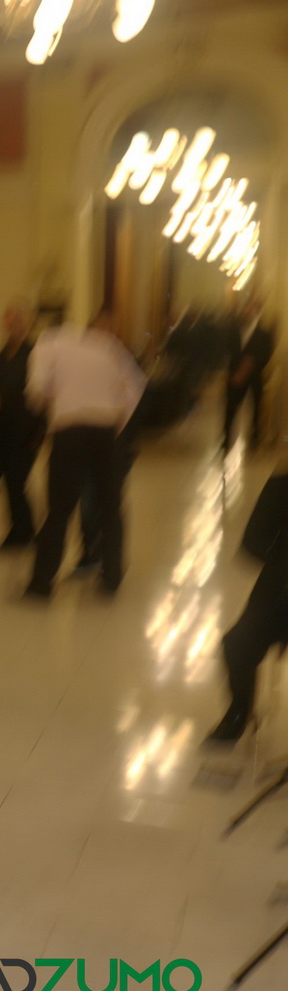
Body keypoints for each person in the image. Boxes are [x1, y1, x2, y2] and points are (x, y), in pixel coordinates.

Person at [24, 309, 147, 599]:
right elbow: (136, 388)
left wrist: (48, 407)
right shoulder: (111, 347)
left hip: (71, 431)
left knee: (59, 509)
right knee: (111, 508)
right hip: (106, 432)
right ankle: (112, 577)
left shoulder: (48, 343)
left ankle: (42, 582)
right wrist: (116, 424)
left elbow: (37, 391)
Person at [207, 466, 288, 743]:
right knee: (237, 644)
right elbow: (253, 541)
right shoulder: (282, 485)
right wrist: (282, 562)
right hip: (280, 590)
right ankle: (240, 712)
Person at [0, 301, 42, 549]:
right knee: (11, 482)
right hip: (4, 430)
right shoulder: (0, 358)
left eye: (17, 322)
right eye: (8, 322)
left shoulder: (34, 355)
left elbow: (41, 394)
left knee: (17, 480)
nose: (12, 326)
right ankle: (21, 529)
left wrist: (38, 430)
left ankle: (23, 530)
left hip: (27, 429)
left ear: (26, 324)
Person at [223, 298, 274, 452]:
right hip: (235, 375)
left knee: (256, 408)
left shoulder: (264, 334)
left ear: (257, 312)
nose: (248, 312)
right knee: (231, 407)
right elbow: (227, 350)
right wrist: (235, 369)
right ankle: (226, 438)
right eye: (247, 309)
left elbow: (266, 354)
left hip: (254, 376)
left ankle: (254, 437)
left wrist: (251, 367)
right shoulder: (233, 331)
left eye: (252, 309)